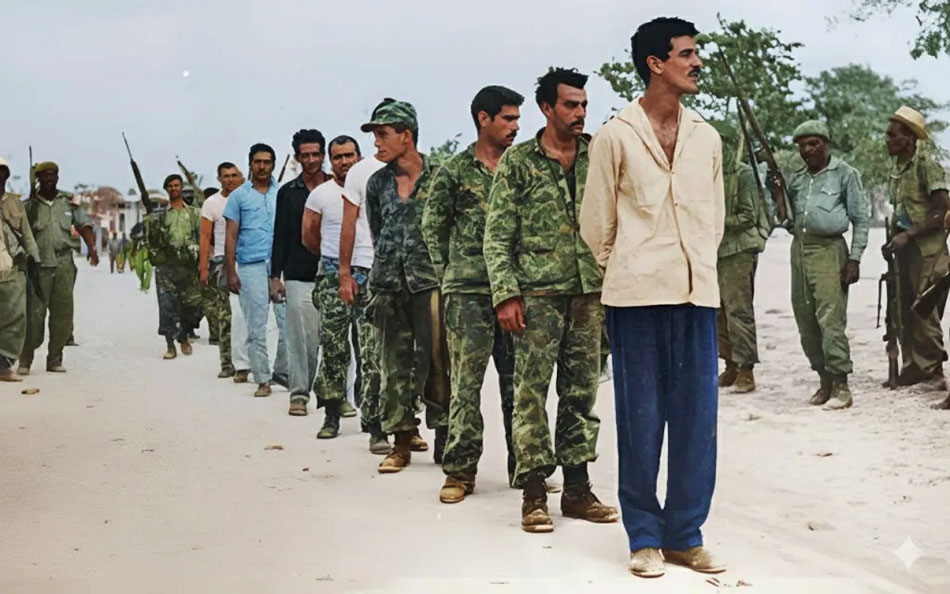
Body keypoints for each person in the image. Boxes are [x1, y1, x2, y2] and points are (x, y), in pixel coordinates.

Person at [579, 18, 725, 577]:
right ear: (655, 64)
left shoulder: (707, 137)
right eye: (686, 54)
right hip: (635, 297)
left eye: (696, 53)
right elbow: (597, 224)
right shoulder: (616, 135)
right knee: (641, 420)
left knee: (697, 421)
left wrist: (696, 266)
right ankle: (644, 536)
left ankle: (685, 535)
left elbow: (713, 219)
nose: (697, 63)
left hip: (695, 294)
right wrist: (628, 267)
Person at [484, 68, 617, 534]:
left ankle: (577, 488)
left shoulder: (598, 155)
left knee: (581, 392)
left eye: (584, 105)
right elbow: (497, 235)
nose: (580, 113)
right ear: (547, 108)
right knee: (530, 393)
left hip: (590, 294)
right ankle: (535, 492)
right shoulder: (519, 162)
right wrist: (506, 294)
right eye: (570, 105)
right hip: (536, 297)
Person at [421, 85, 523, 503]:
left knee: (520, 386)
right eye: (508, 118)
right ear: (484, 119)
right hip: (468, 295)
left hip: (514, 292)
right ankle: (460, 471)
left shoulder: (521, 167)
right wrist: (451, 276)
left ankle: (526, 468)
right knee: (466, 384)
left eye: (517, 119)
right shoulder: (455, 171)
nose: (516, 127)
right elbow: (432, 226)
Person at [360, 99, 449, 472]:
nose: (377, 143)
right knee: (393, 364)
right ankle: (400, 441)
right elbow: (377, 229)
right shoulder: (377, 183)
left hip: (431, 284)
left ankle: (445, 436)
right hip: (389, 286)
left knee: (439, 362)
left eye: (383, 134)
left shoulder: (442, 175)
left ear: (406, 136)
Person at [782, 120, 868, 410]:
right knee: (805, 318)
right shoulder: (798, 179)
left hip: (830, 252)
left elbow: (861, 219)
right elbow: (787, 219)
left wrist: (854, 259)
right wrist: (777, 197)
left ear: (826, 144)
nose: (807, 151)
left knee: (830, 320)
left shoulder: (845, 174)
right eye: (802, 146)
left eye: (813, 144)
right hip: (800, 251)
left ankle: (841, 385)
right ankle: (824, 380)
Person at [304, 135, 372, 437]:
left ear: (359, 156)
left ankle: (371, 416)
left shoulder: (372, 186)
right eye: (338, 157)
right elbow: (309, 235)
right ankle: (331, 414)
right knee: (333, 347)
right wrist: (332, 259)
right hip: (333, 275)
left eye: (349, 155)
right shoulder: (320, 195)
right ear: (330, 161)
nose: (344, 162)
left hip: (367, 272)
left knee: (369, 347)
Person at [883, 105, 950, 403]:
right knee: (902, 309)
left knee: (924, 309)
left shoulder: (927, 166)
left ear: (909, 137)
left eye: (892, 135)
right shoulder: (897, 170)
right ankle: (914, 368)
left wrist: (909, 234)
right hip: (905, 251)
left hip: (928, 250)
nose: (887, 140)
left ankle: (933, 371)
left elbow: (943, 211)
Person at [338, 100, 391, 453]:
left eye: (385, 131)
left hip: (410, 275)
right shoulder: (361, 172)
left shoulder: (421, 170)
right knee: (372, 354)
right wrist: (345, 274)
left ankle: (406, 424)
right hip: (368, 270)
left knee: (408, 355)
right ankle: (376, 426)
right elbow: (348, 225)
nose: (378, 139)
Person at [19, 161, 98, 375]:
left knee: (62, 314)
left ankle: (55, 358)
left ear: (58, 177)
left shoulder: (68, 202)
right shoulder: (28, 206)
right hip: (38, 266)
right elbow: (19, 233)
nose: (49, 179)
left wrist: (92, 248)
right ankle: (25, 359)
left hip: (64, 264)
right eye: (44, 176)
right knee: (34, 315)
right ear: (38, 179)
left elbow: (84, 225)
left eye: (53, 175)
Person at [272, 130, 331, 416]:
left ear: (323, 155)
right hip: (298, 274)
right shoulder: (288, 193)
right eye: (305, 155)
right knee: (301, 339)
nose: (311, 160)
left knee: (331, 338)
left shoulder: (337, 187)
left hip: (333, 274)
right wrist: (275, 276)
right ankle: (298, 393)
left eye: (315, 154)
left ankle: (334, 396)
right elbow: (280, 236)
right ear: (297, 157)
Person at [225, 143, 285, 398]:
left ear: (273, 164)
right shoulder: (238, 196)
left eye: (267, 162)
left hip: (280, 266)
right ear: (250, 164)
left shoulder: (282, 193)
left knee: (288, 324)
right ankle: (262, 379)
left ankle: (282, 372)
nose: (262, 167)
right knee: (256, 326)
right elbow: (231, 236)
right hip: (251, 266)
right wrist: (231, 271)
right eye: (258, 162)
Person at [715, 123, 771, 393]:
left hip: (738, 250)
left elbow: (748, 215)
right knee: (718, 312)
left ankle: (746, 369)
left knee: (738, 311)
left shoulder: (743, 174)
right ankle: (730, 364)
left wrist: (718, 222)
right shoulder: (709, 174)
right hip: (716, 250)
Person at [144, 174, 203, 360]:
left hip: (189, 266)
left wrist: (202, 262)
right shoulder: (159, 215)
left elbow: (202, 238)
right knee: (167, 306)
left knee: (192, 305)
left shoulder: (194, 213)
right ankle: (170, 345)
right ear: (166, 189)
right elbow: (151, 240)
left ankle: (183, 334)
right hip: (166, 267)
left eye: (177, 185)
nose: (174, 188)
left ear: (181, 187)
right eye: (170, 186)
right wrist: (158, 258)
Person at [200, 163, 245, 379]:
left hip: (246, 260)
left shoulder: (247, 198)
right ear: (219, 179)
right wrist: (203, 268)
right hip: (221, 262)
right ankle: (227, 363)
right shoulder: (212, 203)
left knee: (247, 316)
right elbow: (205, 237)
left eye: (234, 175)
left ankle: (248, 362)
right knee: (226, 315)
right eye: (226, 176)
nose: (231, 179)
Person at [0, 158, 40, 382]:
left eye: (2, 173)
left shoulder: (14, 203)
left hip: (12, 268)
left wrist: (36, 260)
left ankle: (4, 365)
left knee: (15, 318)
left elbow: (26, 234)